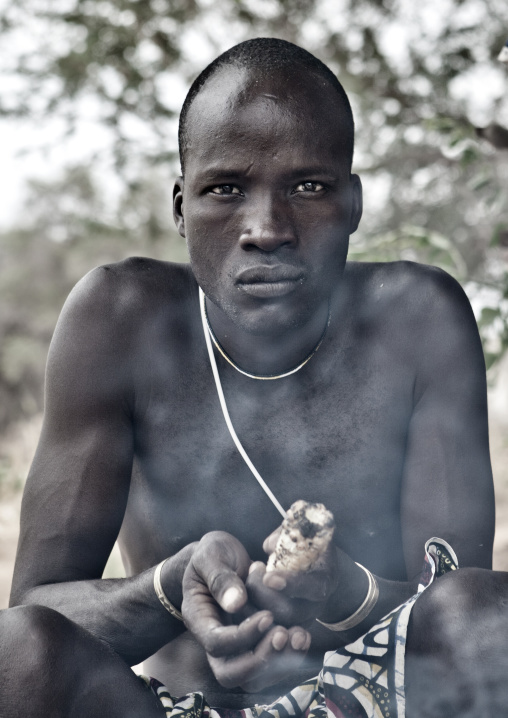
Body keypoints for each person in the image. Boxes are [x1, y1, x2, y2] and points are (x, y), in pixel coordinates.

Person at [3, 38, 497, 717]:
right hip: (171, 706)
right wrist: (168, 590)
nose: (266, 228)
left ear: (352, 203)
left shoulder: (417, 320)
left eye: (308, 187)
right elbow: (37, 615)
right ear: (181, 206)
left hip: (369, 703)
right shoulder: (118, 318)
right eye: (225, 189)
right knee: (16, 653)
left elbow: (458, 610)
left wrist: (344, 591)